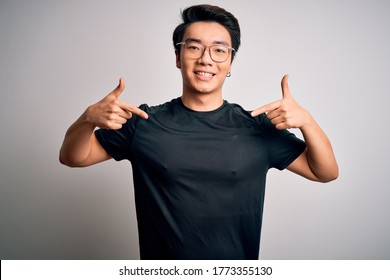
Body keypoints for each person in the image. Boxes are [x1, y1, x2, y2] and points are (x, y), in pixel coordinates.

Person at [59, 4, 338, 260]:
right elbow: (73, 157)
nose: (206, 59)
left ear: (230, 63)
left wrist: (307, 122)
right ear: (178, 57)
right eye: (194, 48)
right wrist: (87, 119)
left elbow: (325, 172)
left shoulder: (257, 126)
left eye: (219, 50)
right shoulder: (143, 122)